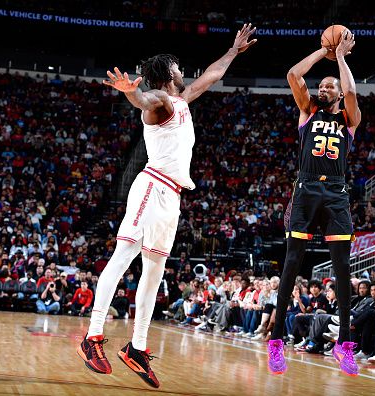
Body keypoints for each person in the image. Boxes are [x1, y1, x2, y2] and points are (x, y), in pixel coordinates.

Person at [76, 24, 257, 389]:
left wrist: (234, 50)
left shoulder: (183, 99)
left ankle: (137, 348)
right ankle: (92, 336)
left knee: (155, 272)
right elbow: (144, 102)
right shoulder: (158, 97)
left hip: (172, 195)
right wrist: (132, 92)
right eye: (176, 64)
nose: (182, 67)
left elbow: (212, 74)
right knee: (123, 256)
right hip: (152, 186)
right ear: (166, 72)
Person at [267, 29, 360, 376]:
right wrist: (323, 52)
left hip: (336, 194)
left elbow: (350, 91)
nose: (323, 89)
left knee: (342, 270)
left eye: (328, 86)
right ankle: (276, 343)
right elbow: (294, 75)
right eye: (320, 85)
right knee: (291, 263)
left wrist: (340, 58)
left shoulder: (348, 118)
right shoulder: (307, 110)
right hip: (305, 191)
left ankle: (344, 345)